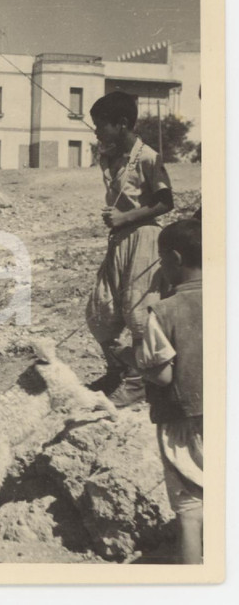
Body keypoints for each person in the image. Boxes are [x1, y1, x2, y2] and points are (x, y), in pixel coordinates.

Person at [86, 91, 174, 407]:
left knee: (139, 313)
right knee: (100, 311)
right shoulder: (112, 157)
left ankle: (138, 384)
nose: (96, 131)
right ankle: (121, 368)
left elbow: (166, 201)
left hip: (144, 240)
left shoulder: (148, 156)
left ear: (121, 124)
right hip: (120, 240)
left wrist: (125, 216)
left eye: (100, 125)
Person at [137, 218, 203, 564]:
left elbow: (162, 377)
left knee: (191, 513)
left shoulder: (163, 312)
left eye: (161, 260)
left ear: (175, 259)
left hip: (184, 424)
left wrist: (141, 365)